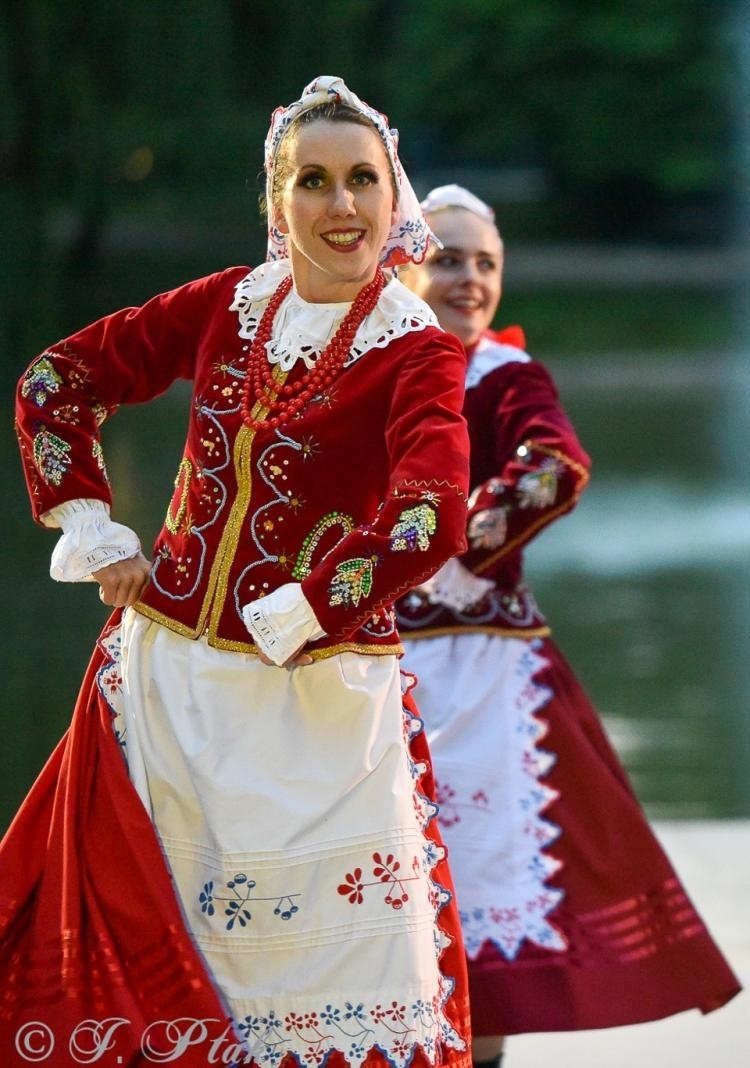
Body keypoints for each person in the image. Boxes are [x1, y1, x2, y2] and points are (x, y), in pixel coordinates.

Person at [4, 77, 476, 1068]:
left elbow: (429, 513)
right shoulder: (228, 303)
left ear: (394, 196)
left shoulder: (417, 351)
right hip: (164, 694)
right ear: (276, 200)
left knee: (327, 994)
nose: (341, 205)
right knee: (149, 971)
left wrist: (311, 605)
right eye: (313, 181)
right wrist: (93, 526)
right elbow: (57, 380)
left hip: (319, 713)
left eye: (362, 180)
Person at [395, 184, 741, 1067]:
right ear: (402, 267)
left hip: (481, 680)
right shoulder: (363, 371)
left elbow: (555, 463)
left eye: (486, 263)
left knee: (483, 906)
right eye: (448, 259)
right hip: (366, 668)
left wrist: (456, 544)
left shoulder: (505, 376)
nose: (470, 279)